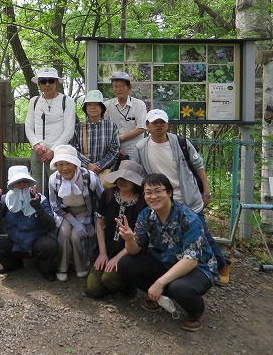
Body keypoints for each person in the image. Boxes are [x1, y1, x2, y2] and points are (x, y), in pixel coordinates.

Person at [131, 109, 230, 286]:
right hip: (160, 199)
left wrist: (205, 192)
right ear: (147, 126)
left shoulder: (181, 142)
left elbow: (198, 166)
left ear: (168, 124)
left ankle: (221, 265)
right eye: (154, 122)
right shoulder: (140, 148)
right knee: (167, 237)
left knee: (203, 234)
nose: (159, 125)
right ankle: (179, 269)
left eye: (162, 122)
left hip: (188, 197)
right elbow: (138, 173)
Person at [117, 174, 218, 332]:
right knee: (125, 263)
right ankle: (160, 298)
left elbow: (190, 261)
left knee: (180, 288)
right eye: (148, 192)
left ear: (169, 192)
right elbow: (134, 250)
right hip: (166, 262)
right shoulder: (146, 215)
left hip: (198, 268)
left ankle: (195, 312)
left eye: (158, 191)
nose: (153, 196)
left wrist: (159, 283)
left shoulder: (188, 218)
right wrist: (129, 239)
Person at [0, 165, 58, 281]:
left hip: (36, 243)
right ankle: (13, 264)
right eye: (17, 182)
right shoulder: (4, 200)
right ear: (11, 185)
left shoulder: (40, 199)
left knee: (50, 245)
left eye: (25, 182)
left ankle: (43, 266)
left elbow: (52, 225)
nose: (22, 186)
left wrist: (38, 208)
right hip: (14, 243)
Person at [85, 160, 146, 298]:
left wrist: (117, 258)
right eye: (120, 178)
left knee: (109, 279)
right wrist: (102, 253)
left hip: (128, 252)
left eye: (127, 179)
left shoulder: (143, 202)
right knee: (92, 289)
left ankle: (126, 283)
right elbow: (100, 224)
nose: (122, 181)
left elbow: (140, 237)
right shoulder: (108, 194)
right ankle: (113, 282)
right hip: (106, 247)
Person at [48, 145, 104, 281]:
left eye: (68, 163)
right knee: (64, 232)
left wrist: (100, 220)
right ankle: (62, 266)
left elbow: (101, 199)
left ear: (75, 164)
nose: (65, 168)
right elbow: (55, 205)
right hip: (64, 212)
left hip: (85, 210)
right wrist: (72, 221)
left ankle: (82, 265)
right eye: (60, 164)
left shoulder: (89, 177)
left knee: (76, 236)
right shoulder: (54, 180)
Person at [25, 67, 77, 195]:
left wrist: (53, 151)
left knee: (59, 188)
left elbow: (69, 129)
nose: (47, 84)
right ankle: (39, 213)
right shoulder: (34, 102)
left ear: (57, 82)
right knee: (36, 187)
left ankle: (59, 215)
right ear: (39, 84)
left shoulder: (67, 101)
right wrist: (36, 145)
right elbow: (28, 126)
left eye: (51, 81)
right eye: (43, 81)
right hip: (38, 152)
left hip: (59, 153)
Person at [103, 71, 147, 166]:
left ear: (129, 88)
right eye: (115, 86)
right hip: (113, 151)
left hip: (136, 149)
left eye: (122, 86)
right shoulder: (107, 106)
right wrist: (116, 148)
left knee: (135, 177)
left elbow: (141, 128)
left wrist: (121, 138)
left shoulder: (139, 105)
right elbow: (105, 130)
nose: (118, 89)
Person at [71, 90, 119, 174]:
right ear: (85, 108)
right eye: (89, 104)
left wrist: (99, 166)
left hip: (105, 173)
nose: (93, 107)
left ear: (102, 107)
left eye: (96, 104)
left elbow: (115, 150)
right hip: (83, 172)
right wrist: (87, 164)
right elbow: (73, 150)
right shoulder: (78, 128)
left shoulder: (111, 126)